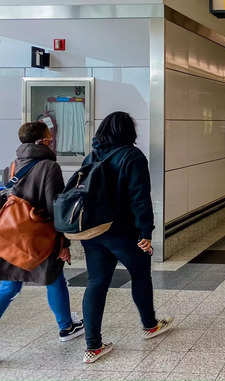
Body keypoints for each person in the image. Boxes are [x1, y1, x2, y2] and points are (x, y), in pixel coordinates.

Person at [80, 112, 172, 364]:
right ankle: (150, 325)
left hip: (93, 232)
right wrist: (146, 232)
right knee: (140, 276)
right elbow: (139, 198)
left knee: (96, 283)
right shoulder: (132, 156)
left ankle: (92, 346)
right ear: (129, 131)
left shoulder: (92, 155)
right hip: (124, 233)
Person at [0, 122, 84, 341]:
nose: (52, 140)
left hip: (10, 235)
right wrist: (63, 244)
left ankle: (67, 324)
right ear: (42, 141)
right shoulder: (49, 167)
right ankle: (66, 327)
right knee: (54, 278)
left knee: (10, 283)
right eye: (50, 137)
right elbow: (55, 208)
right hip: (40, 235)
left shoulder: (12, 166)